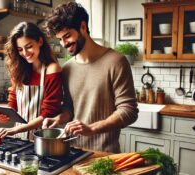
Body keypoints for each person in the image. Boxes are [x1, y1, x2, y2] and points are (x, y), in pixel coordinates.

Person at [42, 2, 138, 153]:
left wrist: (92, 128)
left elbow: (129, 111)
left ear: (83, 27)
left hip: (104, 155)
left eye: (67, 36)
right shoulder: (67, 68)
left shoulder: (116, 61)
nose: (64, 44)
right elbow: (69, 108)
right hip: (72, 152)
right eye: (60, 39)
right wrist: (59, 119)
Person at [0, 22, 62, 140]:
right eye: (20, 49)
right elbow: (13, 102)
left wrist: (14, 129)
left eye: (29, 46)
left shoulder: (52, 69)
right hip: (20, 137)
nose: (25, 53)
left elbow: (48, 114)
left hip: (43, 139)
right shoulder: (19, 70)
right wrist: (4, 115)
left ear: (40, 42)